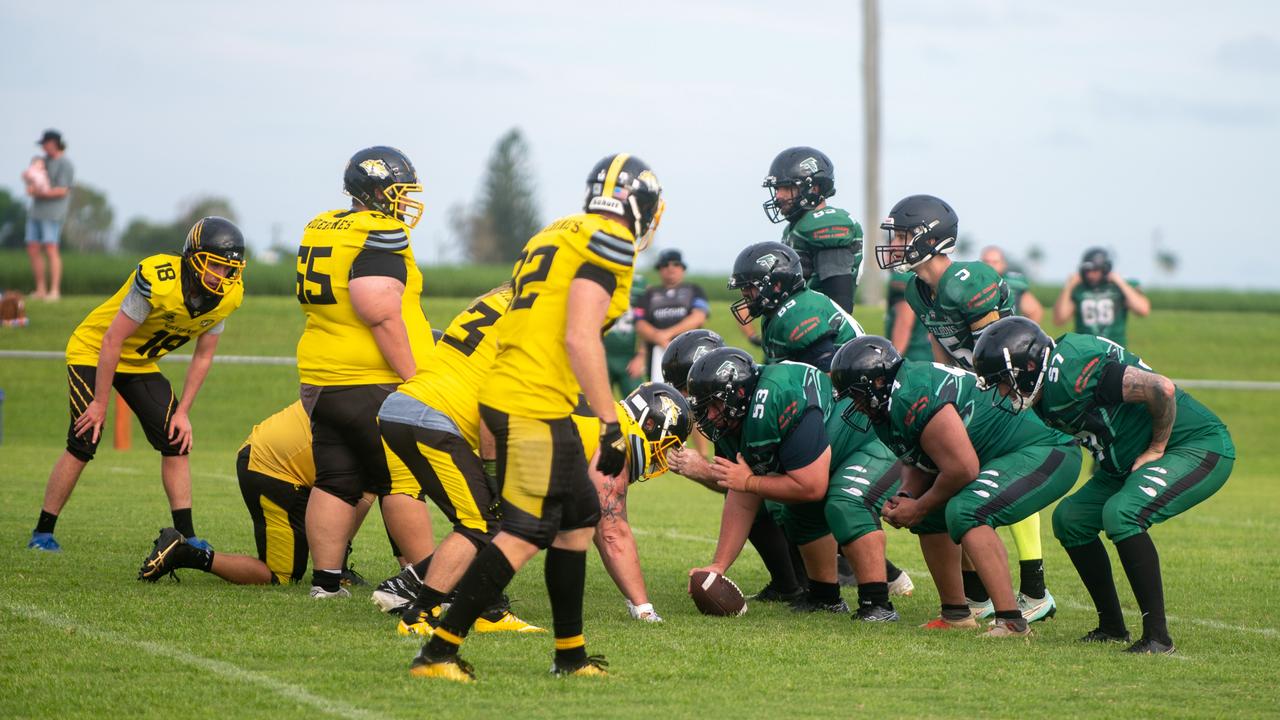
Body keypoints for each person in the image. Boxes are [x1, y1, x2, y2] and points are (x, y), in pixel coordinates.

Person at [410, 153, 663, 683]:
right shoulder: (610, 241)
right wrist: (610, 424)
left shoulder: (557, 231)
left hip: (522, 393)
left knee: (577, 521)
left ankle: (569, 655)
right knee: (525, 532)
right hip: (533, 400)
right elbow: (579, 335)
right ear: (637, 205)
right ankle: (437, 652)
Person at [974, 317, 1235, 654]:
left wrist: (1157, 447)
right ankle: (1112, 626)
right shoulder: (1045, 387)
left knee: (1122, 513)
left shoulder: (1070, 372)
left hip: (1193, 444)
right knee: (1071, 519)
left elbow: (1161, 388)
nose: (1002, 390)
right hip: (1125, 459)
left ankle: (1158, 637)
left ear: (1027, 366)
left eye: (1004, 381)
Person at [876, 193, 1055, 623]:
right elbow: (940, 346)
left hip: (1008, 388)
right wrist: (946, 388)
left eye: (902, 235)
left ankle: (1034, 588)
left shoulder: (968, 279)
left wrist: (982, 390)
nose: (895, 244)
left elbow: (998, 348)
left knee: (994, 481)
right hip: (970, 389)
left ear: (929, 237)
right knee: (958, 485)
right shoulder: (919, 290)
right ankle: (978, 597)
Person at [830, 336, 1082, 637]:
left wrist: (919, 506)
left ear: (879, 382)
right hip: (1004, 454)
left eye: (857, 394)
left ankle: (1012, 622)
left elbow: (963, 469)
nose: (855, 405)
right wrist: (907, 495)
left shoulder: (912, 394)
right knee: (933, 515)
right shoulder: (891, 403)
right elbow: (918, 459)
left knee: (966, 510)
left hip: (1046, 447)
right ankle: (956, 612)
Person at [27, 217, 246, 552]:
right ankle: (43, 532)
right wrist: (100, 403)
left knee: (176, 438)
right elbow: (113, 340)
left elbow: (203, 357)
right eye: (215, 265)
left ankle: (186, 538)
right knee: (85, 436)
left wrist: (183, 412)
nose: (223, 276)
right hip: (94, 349)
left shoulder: (228, 297)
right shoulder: (160, 279)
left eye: (229, 270)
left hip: (138, 362)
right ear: (194, 258)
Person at [295, 145, 437, 599]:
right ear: (375, 190)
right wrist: (414, 377)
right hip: (370, 377)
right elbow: (379, 310)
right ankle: (434, 584)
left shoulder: (325, 225)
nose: (404, 201)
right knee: (404, 480)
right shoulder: (379, 230)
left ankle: (327, 583)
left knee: (338, 479)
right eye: (398, 191)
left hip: (323, 375)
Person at [685, 347, 901, 621]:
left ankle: (878, 604)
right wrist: (719, 565)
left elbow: (812, 486)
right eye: (704, 409)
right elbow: (739, 497)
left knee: (846, 502)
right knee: (796, 510)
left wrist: (751, 481)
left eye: (714, 405)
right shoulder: (731, 423)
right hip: (828, 455)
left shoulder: (778, 395)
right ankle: (825, 598)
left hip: (870, 441)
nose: (711, 416)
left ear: (739, 394)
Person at [376, 283, 542, 635]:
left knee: (486, 521)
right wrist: (495, 474)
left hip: (405, 408)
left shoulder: (497, 297)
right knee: (480, 522)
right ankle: (419, 613)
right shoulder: (537, 318)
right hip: (433, 418)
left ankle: (489, 608)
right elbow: (492, 406)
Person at [137, 401, 374, 585]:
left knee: (367, 487)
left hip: (284, 461)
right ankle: (183, 553)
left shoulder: (360, 389)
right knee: (280, 576)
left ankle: (338, 564)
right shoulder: (377, 404)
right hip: (273, 468)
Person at [663, 329, 807, 602]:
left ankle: (880, 575)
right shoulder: (723, 409)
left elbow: (773, 480)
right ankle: (788, 584)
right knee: (756, 501)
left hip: (823, 464)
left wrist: (703, 470)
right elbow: (737, 484)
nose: (687, 398)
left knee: (779, 502)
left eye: (686, 388)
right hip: (800, 474)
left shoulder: (758, 401)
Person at [573, 382, 693, 623]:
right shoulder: (617, 441)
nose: (660, 457)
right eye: (665, 444)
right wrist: (644, 607)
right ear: (649, 424)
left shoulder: (609, 413)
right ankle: (490, 609)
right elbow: (612, 534)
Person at [727, 241, 862, 369]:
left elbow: (827, 377)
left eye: (750, 286)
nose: (744, 293)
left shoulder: (800, 313)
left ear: (776, 286)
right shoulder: (776, 312)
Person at [762, 146, 863, 312]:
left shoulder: (826, 223)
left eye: (787, 187)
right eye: (776, 189)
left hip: (822, 329)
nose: (779, 195)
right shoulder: (795, 228)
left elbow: (839, 306)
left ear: (813, 189)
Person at [631, 248, 709, 381]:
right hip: (657, 357)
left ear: (682, 268)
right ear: (659, 269)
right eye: (665, 265)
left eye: (676, 264)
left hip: (689, 354)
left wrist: (667, 336)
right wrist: (658, 338)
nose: (670, 268)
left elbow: (698, 317)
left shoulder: (694, 290)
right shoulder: (649, 294)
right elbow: (640, 323)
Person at [1053, 248, 1150, 348]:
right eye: (1087, 271)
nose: (1090, 275)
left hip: (1115, 348)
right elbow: (1059, 319)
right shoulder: (1079, 289)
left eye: (1095, 270)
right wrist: (1068, 287)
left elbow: (1143, 310)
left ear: (1105, 269)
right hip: (1086, 349)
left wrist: (1122, 284)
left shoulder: (1118, 287)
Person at [25, 130, 75, 301]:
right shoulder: (42, 161)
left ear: (54, 143)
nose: (44, 148)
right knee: (33, 248)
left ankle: (54, 291)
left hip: (53, 214)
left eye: (46, 144)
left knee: (51, 249)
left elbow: (62, 190)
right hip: (35, 212)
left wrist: (41, 192)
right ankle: (40, 289)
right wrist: (31, 186)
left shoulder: (65, 164)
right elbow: (31, 179)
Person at [605, 274, 648, 397]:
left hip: (629, 358)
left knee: (638, 401)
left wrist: (641, 356)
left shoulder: (642, 294)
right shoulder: (602, 285)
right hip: (603, 354)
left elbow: (646, 327)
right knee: (595, 405)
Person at [980, 245, 1044, 322]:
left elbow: (1034, 311)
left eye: (995, 262)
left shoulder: (1014, 283)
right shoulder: (971, 283)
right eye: (986, 262)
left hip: (1008, 329)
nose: (990, 266)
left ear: (1003, 264)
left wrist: (1026, 331)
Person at [884, 269, 933, 361]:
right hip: (927, 354)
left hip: (910, 359)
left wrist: (891, 361)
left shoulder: (902, 277)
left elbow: (904, 323)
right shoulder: (923, 275)